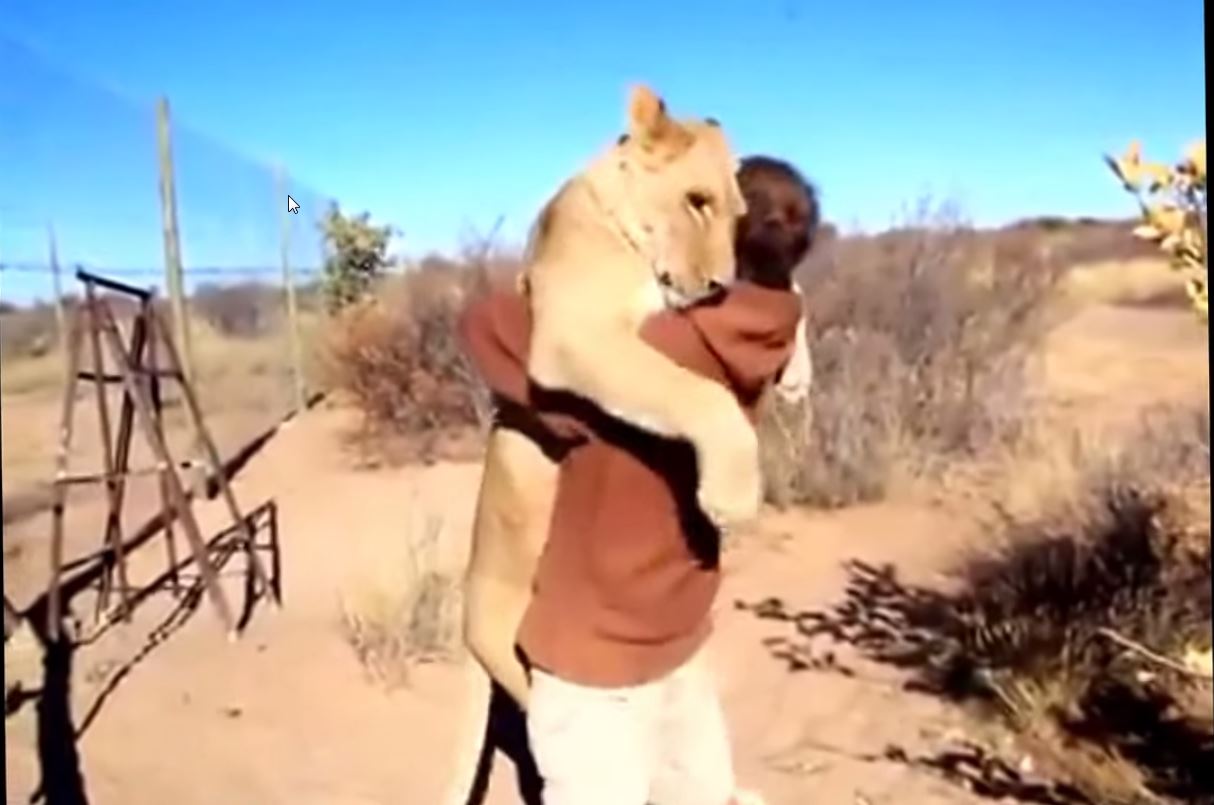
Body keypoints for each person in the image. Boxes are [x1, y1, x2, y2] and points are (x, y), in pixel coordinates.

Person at [458, 155, 821, 805]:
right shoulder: (777, 324)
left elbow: (491, 326)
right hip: (678, 624)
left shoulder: (651, 352)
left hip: (593, 651)